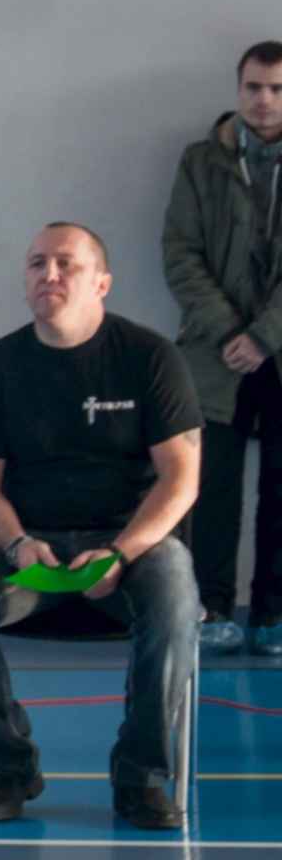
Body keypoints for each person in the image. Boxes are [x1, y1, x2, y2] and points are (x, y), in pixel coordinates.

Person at [0, 223, 202, 829]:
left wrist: (120, 555)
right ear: (25, 283)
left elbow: (181, 478)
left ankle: (142, 776)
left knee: (178, 602)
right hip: (25, 549)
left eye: (66, 264)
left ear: (101, 282)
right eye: (37, 264)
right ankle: (10, 767)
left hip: (133, 548)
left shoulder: (151, 358)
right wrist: (20, 545)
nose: (49, 274)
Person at [164, 40, 282, 655]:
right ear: (238, 90)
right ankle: (212, 609)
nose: (264, 100)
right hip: (216, 356)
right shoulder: (200, 162)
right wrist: (232, 333)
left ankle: (272, 616)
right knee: (210, 489)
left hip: (277, 349)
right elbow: (180, 254)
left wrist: (265, 335)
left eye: (277, 89)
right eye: (253, 87)